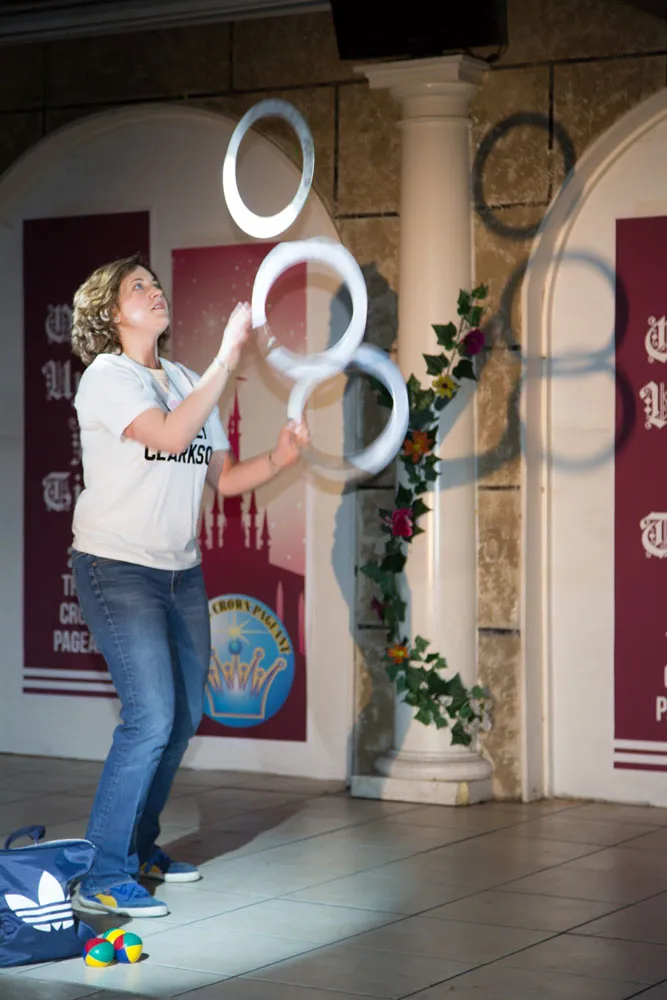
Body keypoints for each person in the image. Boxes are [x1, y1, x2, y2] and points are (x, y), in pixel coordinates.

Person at [68, 253, 309, 918]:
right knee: (150, 716)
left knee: (181, 719)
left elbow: (223, 478)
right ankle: (101, 873)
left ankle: (139, 847)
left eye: (154, 283)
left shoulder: (180, 378)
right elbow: (170, 437)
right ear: (112, 314)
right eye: (137, 287)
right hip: (116, 567)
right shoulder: (106, 378)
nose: (154, 291)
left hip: (181, 570)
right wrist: (227, 357)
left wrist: (279, 457)